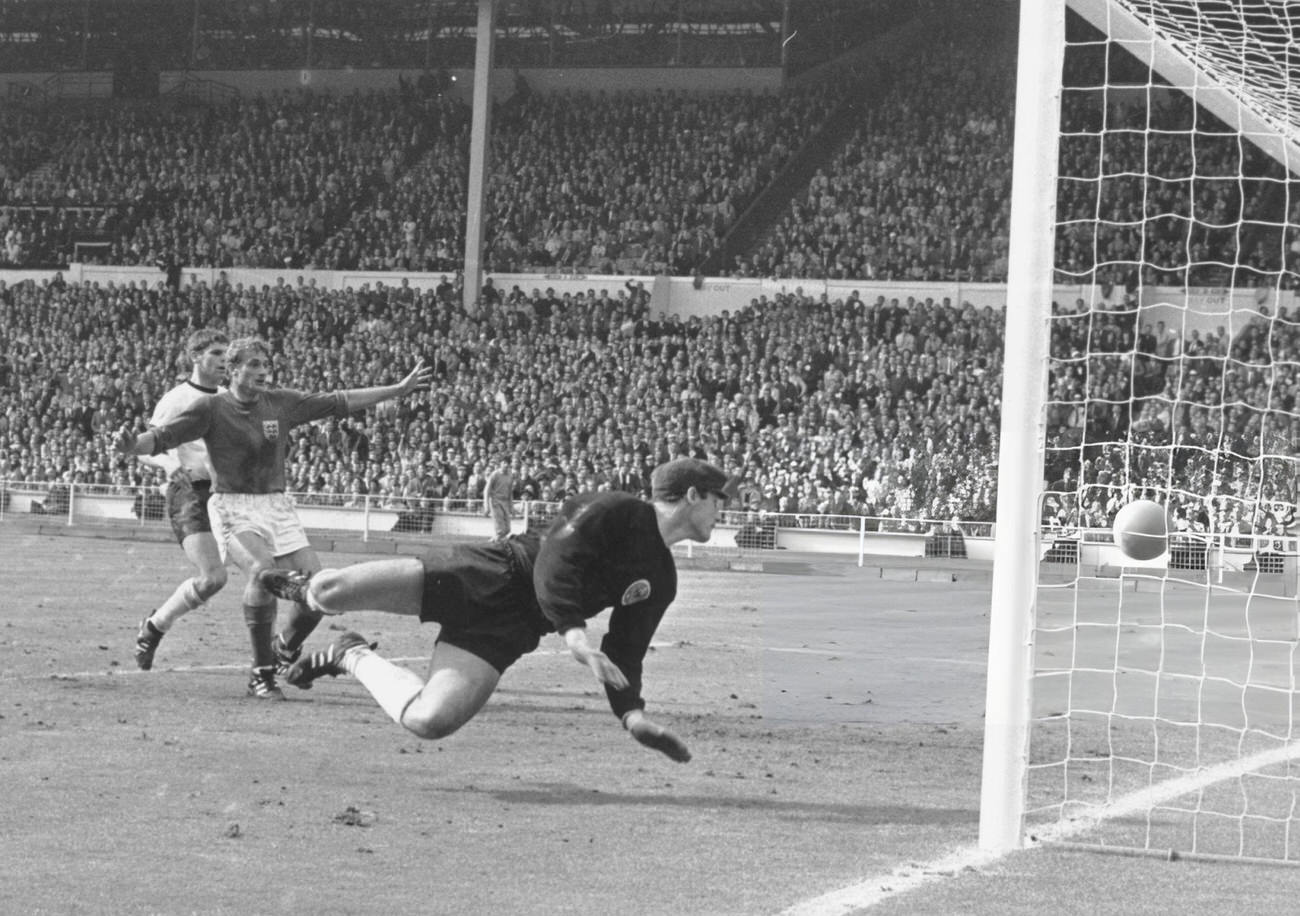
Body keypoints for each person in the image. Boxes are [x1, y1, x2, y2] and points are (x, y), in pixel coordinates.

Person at [258, 457, 740, 762]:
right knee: (333, 588)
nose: (724, 511)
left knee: (430, 721)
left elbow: (625, 651)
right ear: (693, 495)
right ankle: (305, 592)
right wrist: (572, 631)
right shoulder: (612, 508)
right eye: (720, 500)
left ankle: (349, 653)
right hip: (489, 574)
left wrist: (632, 715)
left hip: (513, 627)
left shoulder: (662, 578)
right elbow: (555, 564)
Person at [115, 336, 432, 699]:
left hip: (277, 507)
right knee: (262, 572)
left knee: (321, 592)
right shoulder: (210, 408)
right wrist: (131, 446)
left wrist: (398, 389)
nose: (263, 371)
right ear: (233, 371)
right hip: (232, 505)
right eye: (253, 364)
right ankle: (261, 674)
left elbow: (339, 401)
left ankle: (283, 649)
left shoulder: (281, 402)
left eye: (266, 364)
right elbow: (160, 438)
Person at [132, 329, 231, 670]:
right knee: (213, 578)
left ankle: (276, 654)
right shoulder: (176, 400)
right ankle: (156, 626)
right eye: (217, 353)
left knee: (268, 570)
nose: (224, 360)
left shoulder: (229, 397)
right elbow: (143, 450)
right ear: (195, 357)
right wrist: (171, 463)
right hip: (190, 493)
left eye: (226, 354)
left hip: (228, 494)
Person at [482, 460, 514, 541]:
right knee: (500, 530)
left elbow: (510, 492)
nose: (506, 465)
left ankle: (492, 542)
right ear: (500, 464)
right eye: (504, 463)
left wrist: (511, 507)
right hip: (496, 502)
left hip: (505, 502)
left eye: (508, 463)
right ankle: (496, 546)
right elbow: (487, 490)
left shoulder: (510, 476)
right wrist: (486, 506)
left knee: (507, 530)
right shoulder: (495, 474)